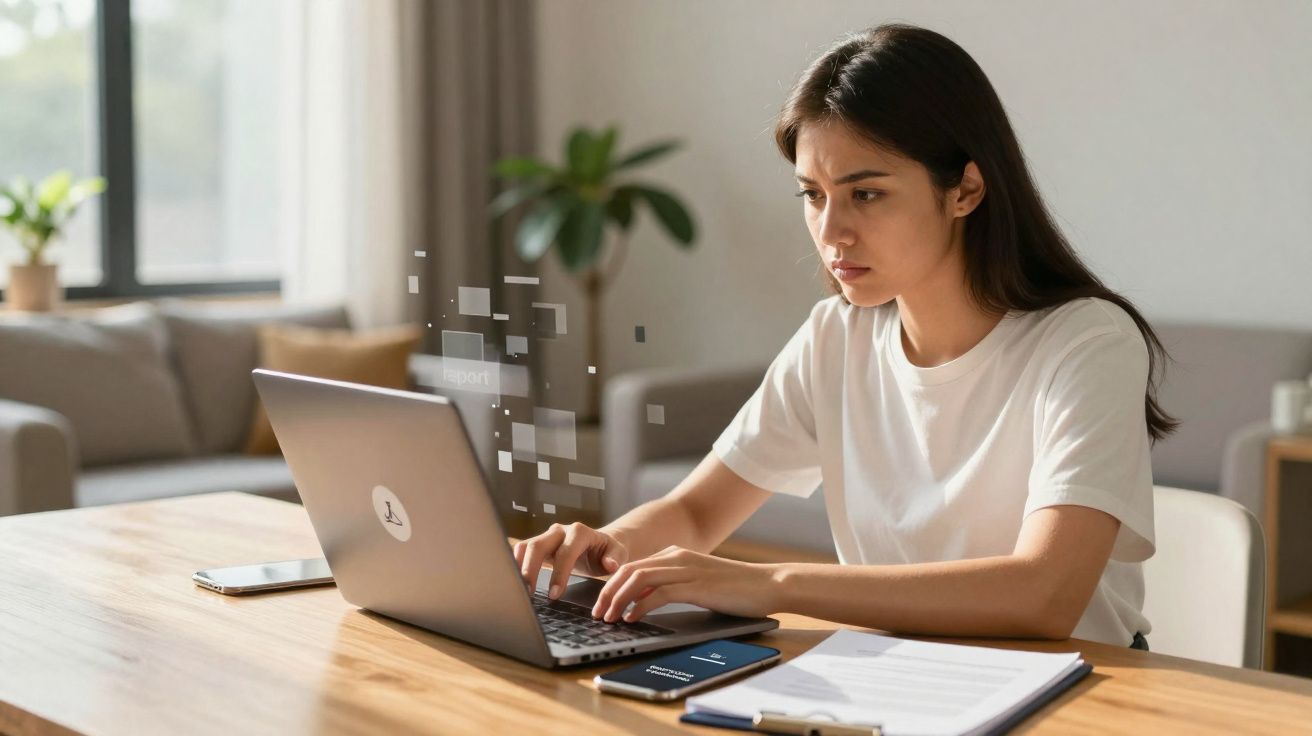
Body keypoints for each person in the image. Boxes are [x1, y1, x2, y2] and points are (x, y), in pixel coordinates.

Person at [513, 23, 1178, 650]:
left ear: (966, 190)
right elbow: (694, 513)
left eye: (866, 194)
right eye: (812, 194)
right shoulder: (836, 337)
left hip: (1078, 687)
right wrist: (606, 548)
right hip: (899, 679)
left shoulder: (1086, 343)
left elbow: (1045, 594)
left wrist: (771, 584)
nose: (831, 232)